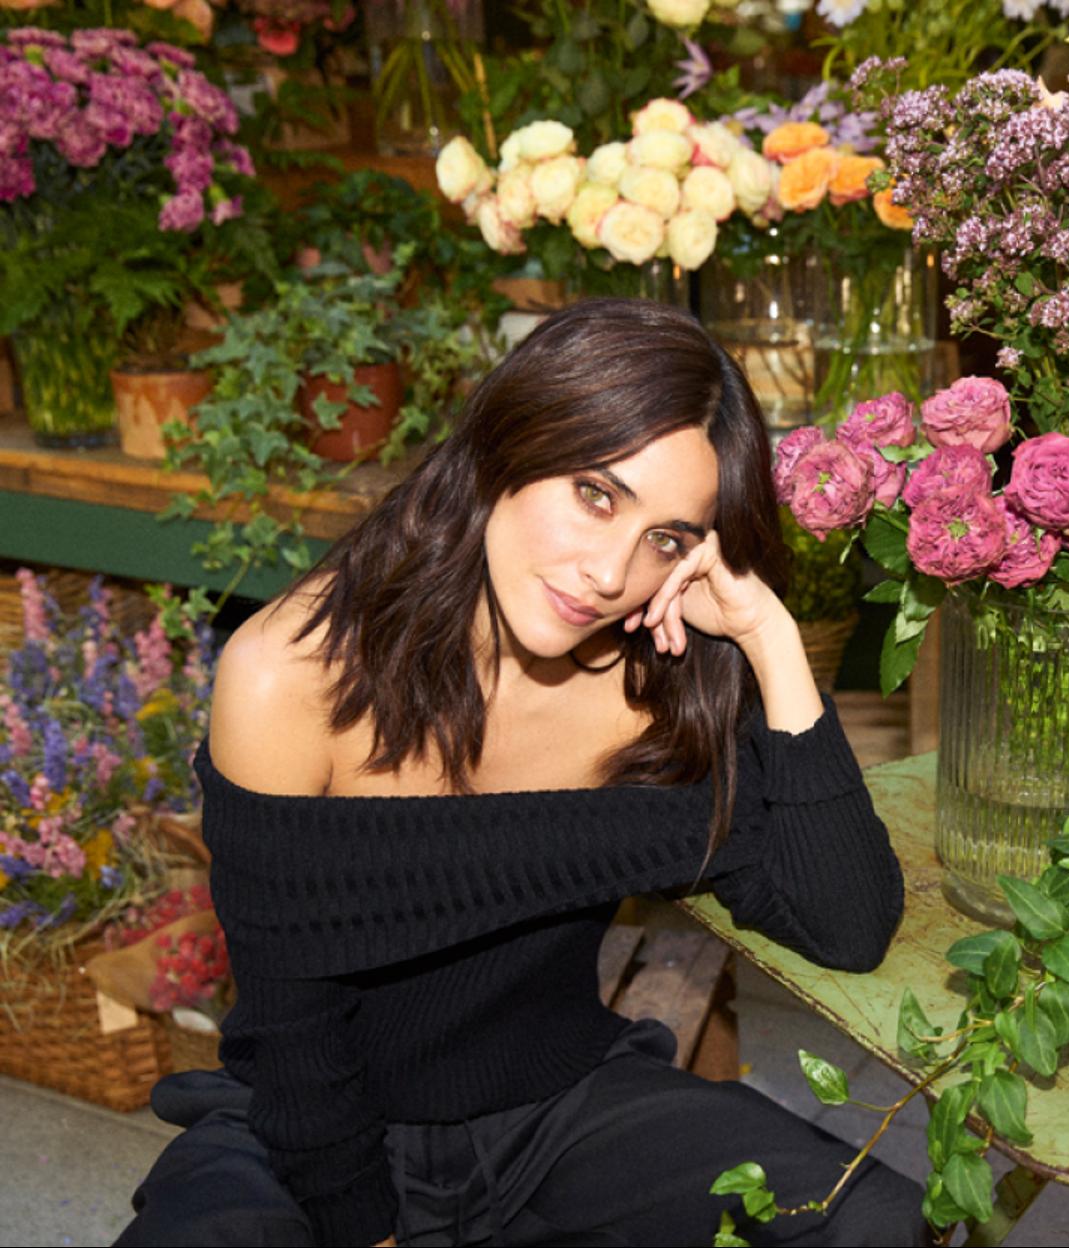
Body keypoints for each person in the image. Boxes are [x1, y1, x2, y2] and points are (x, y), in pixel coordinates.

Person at [115, 298, 923, 1248]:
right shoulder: (290, 675)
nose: (609, 572)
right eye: (595, 493)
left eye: (666, 538)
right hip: (308, 1135)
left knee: (872, 1218)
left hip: (559, 1116)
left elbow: (847, 924)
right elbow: (295, 1044)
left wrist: (768, 639)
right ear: (508, 443)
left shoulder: (659, 685)